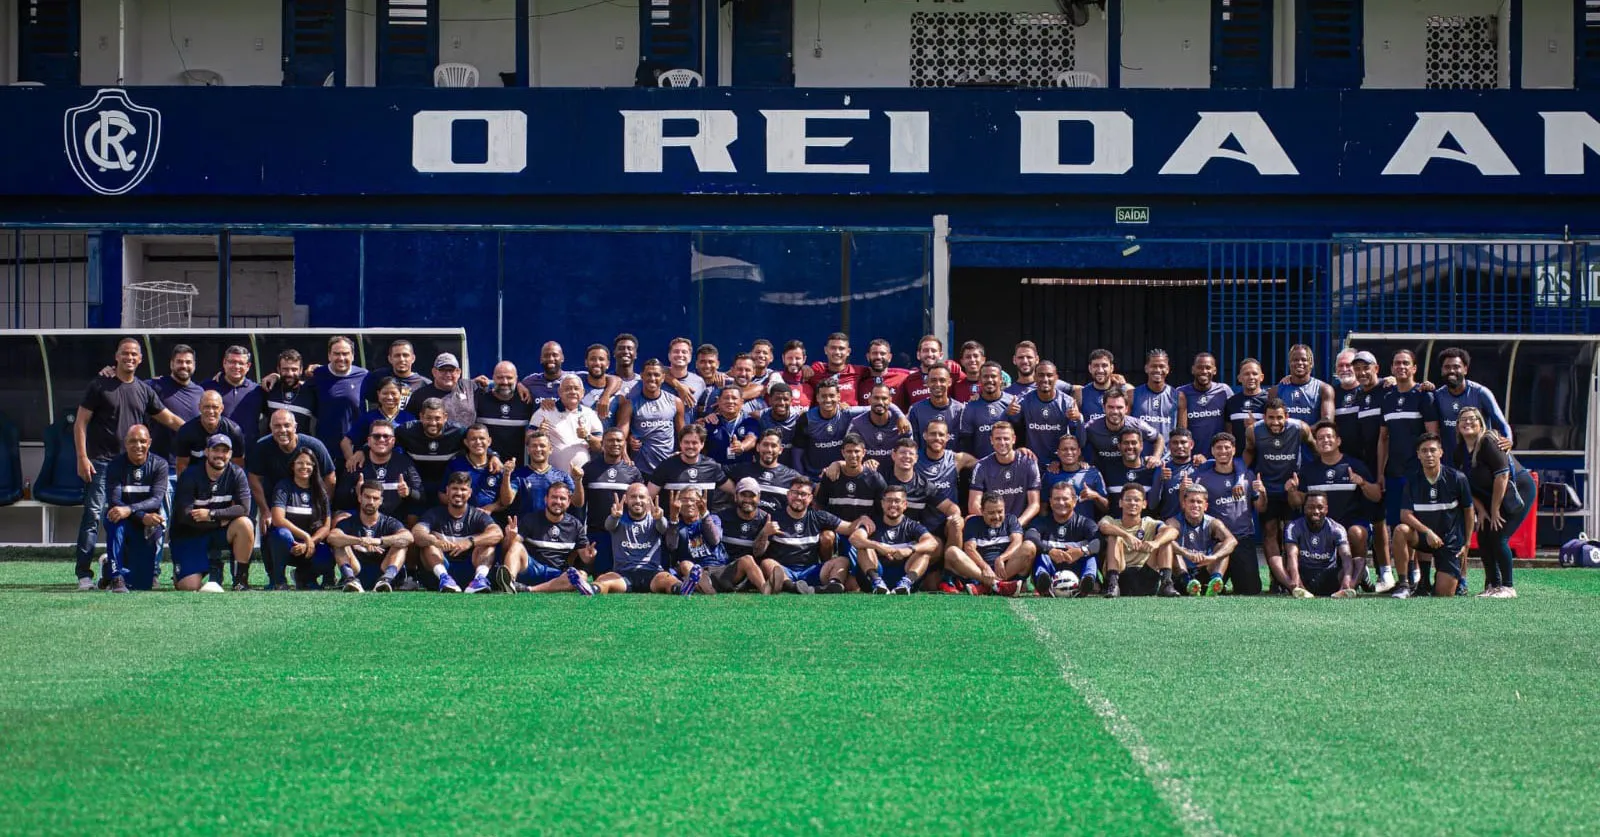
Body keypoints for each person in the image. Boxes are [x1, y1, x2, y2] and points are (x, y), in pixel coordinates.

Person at [73, 337, 184, 589]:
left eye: (134, 354)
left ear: (140, 359)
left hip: (132, 468)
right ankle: (83, 575)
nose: (129, 357)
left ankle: (128, 570)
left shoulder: (144, 390)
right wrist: (82, 457)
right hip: (101, 463)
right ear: (117, 356)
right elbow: (80, 422)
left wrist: (198, 431)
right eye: (125, 353)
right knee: (93, 516)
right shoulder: (100, 384)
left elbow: (168, 418)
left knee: (137, 518)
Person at [247, 408, 338, 587]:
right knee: (278, 534)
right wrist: (265, 510)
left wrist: (321, 508)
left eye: (287, 425)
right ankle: (277, 578)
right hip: (280, 509)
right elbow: (253, 478)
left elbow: (331, 478)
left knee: (325, 555)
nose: (282, 430)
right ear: (270, 428)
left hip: (311, 517)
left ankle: (307, 576)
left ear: (295, 426)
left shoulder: (315, 446)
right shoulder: (264, 449)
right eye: (277, 426)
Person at [1287, 421, 1380, 591]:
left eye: (1329, 437)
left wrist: (1362, 483)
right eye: (1320, 438)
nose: (1325, 440)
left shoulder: (1354, 465)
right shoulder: (1309, 470)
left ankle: (1359, 574)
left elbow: (1377, 495)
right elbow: (1297, 502)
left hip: (1351, 523)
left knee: (1356, 533)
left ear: (1338, 441)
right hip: (1321, 528)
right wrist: (1292, 491)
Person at [1378, 349, 1441, 593]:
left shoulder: (1425, 396)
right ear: (1392, 368)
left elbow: (1432, 436)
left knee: (1418, 524)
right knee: (1397, 527)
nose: (1401, 367)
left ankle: (1419, 577)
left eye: (1406, 363)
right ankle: (1403, 580)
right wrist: (1380, 472)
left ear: (1415, 368)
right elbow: (1383, 438)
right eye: (1397, 363)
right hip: (1394, 472)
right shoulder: (1387, 397)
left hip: (1417, 474)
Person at [1455, 406, 1533, 599]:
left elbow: (1502, 476)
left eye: (1473, 419)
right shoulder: (1459, 451)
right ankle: (1493, 584)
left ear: (1481, 423)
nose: (1468, 422)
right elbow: (1463, 485)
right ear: (1457, 426)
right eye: (1463, 419)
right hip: (1487, 499)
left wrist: (1495, 509)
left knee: (1498, 537)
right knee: (1483, 538)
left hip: (1515, 492)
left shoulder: (1488, 441)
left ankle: (1508, 587)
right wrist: (1481, 509)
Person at [1392, 433, 1475, 599]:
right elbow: (1405, 515)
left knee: (1444, 593)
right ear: (1418, 455)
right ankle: (1404, 584)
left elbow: (1469, 511)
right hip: (1424, 538)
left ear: (1441, 452)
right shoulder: (1412, 480)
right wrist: (1428, 532)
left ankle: (1446, 577)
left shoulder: (1457, 478)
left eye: (1432, 450)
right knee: (1400, 530)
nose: (1429, 454)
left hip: (1449, 540)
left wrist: (1467, 543)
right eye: (1424, 451)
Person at [170, 434, 255, 592]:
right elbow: (184, 516)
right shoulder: (190, 475)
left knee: (245, 524)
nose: (220, 455)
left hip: (216, 530)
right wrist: (220, 520)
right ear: (206, 452)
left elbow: (244, 509)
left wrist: (212, 515)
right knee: (189, 586)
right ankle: (191, 570)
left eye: (225, 451)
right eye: (216, 450)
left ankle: (240, 580)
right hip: (189, 535)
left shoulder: (237, 473)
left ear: (230, 454)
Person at [1188, 432, 1267, 595]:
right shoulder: (1202, 477)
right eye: (1218, 448)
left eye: (1227, 447)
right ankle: (1216, 578)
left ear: (1234, 450)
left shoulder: (1246, 476)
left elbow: (1261, 508)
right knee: (1203, 589)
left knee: (1250, 590)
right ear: (1212, 451)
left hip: (1243, 538)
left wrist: (1262, 492)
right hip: (1216, 540)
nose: (1223, 451)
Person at [758, 478, 862, 594]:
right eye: (795, 493)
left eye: (803, 494)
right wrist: (765, 533)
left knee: (842, 561)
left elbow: (849, 528)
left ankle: (832, 586)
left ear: (810, 498)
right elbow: (757, 552)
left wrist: (863, 520)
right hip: (784, 571)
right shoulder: (773, 517)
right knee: (766, 563)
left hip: (810, 571)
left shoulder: (818, 516)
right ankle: (792, 587)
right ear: (788, 495)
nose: (798, 497)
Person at [1247, 397, 1310, 589]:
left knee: (1291, 531)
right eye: (1271, 418)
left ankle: (1294, 575)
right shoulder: (1253, 431)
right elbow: (1248, 453)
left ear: (1287, 416)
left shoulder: (1300, 428)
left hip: (1292, 487)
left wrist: (1309, 477)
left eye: (1279, 417)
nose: (1275, 422)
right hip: (1268, 488)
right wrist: (1242, 475)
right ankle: (1277, 578)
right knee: (1270, 531)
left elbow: (1315, 449)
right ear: (1264, 417)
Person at [592, 483, 699, 595]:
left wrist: (660, 519)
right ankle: (592, 589)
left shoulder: (655, 519)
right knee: (604, 579)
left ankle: (681, 589)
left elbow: (664, 529)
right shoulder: (618, 519)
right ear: (626, 499)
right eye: (633, 497)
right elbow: (608, 525)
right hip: (623, 574)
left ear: (648, 500)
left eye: (642, 497)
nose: (638, 501)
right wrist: (614, 516)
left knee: (668, 579)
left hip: (652, 574)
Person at [102, 425, 169, 592]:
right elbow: (115, 501)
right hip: (123, 519)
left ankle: (106, 570)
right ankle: (116, 576)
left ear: (150, 443)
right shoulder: (115, 465)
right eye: (132, 441)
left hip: (147, 523)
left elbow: (156, 500)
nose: (138, 445)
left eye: (142, 441)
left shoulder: (160, 465)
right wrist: (140, 515)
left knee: (141, 585)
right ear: (125, 443)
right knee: (115, 519)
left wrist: (133, 511)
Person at [412, 472, 504, 593]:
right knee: (428, 543)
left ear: (470, 493)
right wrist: (435, 541)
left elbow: (498, 533)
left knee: (488, 543)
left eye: (463, 489)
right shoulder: (434, 514)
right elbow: (416, 533)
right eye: (454, 488)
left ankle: (479, 580)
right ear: (447, 491)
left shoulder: (477, 515)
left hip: (470, 568)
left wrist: (470, 542)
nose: (459, 493)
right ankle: (445, 579)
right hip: (441, 569)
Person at [501, 482, 595, 594]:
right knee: (516, 545)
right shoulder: (531, 519)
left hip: (557, 574)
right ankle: (509, 583)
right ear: (546, 499)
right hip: (531, 569)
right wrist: (510, 538)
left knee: (581, 577)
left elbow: (585, 558)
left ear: (569, 502)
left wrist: (590, 556)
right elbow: (508, 549)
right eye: (554, 497)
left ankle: (528, 589)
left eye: (562, 498)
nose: (558, 502)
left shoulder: (575, 525)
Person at [850, 484, 938, 595]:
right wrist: (878, 546)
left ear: (905, 505)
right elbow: (854, 538)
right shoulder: (872, 523)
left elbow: (932, 543)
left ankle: (905, 584)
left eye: (897, 501)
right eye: (889, 501)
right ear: (882, 504)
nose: (893, 505)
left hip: (904, 574)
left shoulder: (912, 525)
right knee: (863, 546)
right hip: (875, 575)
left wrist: (910, 549)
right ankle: (877, 583)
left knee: (924, 551)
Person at [266, 447, 335, 590]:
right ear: (293, 466)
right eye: (300, 463)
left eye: (309, 464)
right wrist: (305, 537)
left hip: (309, 546)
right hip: (287, 544)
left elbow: (326, 526)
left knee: (326, 556)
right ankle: (279, 580)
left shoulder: (320, 490)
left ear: (314, 467)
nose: (304, 467)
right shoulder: (283, 486)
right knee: (282, 534)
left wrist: (310, 542)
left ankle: (304, 577)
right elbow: (278, 519)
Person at [326, 481, 413, 593]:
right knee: (339, 543)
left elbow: (409, 537)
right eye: (367, 497)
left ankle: (385, 580)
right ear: (360, 498)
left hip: (383, 570)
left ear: (381, 501)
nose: (371, 502)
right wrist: (360, 540)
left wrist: (379, 541)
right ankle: (351, 580)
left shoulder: (389, 522)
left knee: (401, 543)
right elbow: (332, 537)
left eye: (375, 498)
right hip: (356, 570)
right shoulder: (349, 522)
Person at [1097, 483, 1180, 598]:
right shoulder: (1111, 520)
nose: (1132, 503)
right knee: (1113, 537)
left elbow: (1173, 531)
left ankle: (1166, 583)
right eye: (1128, 499)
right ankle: (1113, 585)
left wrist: (1156, 543)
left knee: (1165, 538)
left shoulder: (1150, 523)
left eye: (1137, 500)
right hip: (1121, 575)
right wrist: (1126, 535)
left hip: (1146, 575)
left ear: (1144, 504)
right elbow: (1103, 527)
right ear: (1121, 503)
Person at [579, 428, 642, 575]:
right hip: (598, 533)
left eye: (619, 440)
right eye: (610, 440)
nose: (615, 443)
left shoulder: (633, 471)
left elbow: (640, 503)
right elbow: (579, 503)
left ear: (624, 444)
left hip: (625, 534)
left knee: (625, 577)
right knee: (601, 576)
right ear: (602, 443)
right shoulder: (589, 468)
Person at [1023, 482, 1102, 597]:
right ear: (1050, 502)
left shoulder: (1086, 523)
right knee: (1041, 555)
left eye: (1065, 499)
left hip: (1076, 567)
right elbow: (1030, 537)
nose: (1061, 503)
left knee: (1090, 554)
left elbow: (1100, 541)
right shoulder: (1041, 522)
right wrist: (1049, 550)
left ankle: (1087, 583)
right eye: (1056, 499)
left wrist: (1081, 551)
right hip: (1052, 568)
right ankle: (1044, 585)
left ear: (1074, 501)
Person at [1435, 347, 1513, 465]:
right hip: (1449, 462)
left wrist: (1509, 440)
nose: (1451, 371)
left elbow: (1502, 423)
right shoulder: (1437, 396)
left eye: (1456, 367)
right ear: (1441, 370)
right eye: (1447, 367)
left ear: (1465, 369)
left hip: (1479, 461)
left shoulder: (1480, 393)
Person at [669, 486, 751, 595]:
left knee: (747, 559)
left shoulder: (713, 518)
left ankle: (765, 588)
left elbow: (715, 540)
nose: (689, 504)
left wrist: (704, 514)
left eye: (693, 500)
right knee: (685, 565)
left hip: (720, 568)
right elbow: (671, 546)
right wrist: (674, 518)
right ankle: (710, 594)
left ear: (701, 502)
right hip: (696, 571)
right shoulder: (676, 525)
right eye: (684, 500)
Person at [943, 492, 1026, 596]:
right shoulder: (973, 522)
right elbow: (970, 548)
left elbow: (1017, 542)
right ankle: (997, 585)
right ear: (982, 511)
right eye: (991, 513)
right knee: (951, 552)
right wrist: (985, 567)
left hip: (1005, 569)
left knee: (1029, 547)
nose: (996, 516)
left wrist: (1001, 558)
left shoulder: (1011, 520)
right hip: (980, 572)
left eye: (1000, 512)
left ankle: (988, 587)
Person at [615, 359, 686, 478]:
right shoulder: (629, 404)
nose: (652, 378)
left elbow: (682, 434)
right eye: (648, 374)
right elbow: (621, 434)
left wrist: (682, 456)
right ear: (642, 376)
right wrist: (625, 455)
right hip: (640, 468)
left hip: (668, 467)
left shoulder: (675, 402)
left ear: (663, 377)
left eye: (656, 375)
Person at [338, 419, 422, 518]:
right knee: (340, 518)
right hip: (361, 518)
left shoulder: (404, 463)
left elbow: (421, 496)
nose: (381, 440)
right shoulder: (356, 462)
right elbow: (339, 500)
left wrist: (408, 492)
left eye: (386, 436)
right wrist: (355, 493)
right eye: (376, 436)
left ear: (393, 441)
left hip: (394, 520)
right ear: (369, 441)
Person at [1164, 484, 1236, 596]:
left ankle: (1215, 581)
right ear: (1184, 504)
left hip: (1204, 567)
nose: (1195, 505)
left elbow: (1232, 540)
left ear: (1206, 506)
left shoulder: (1213, 522)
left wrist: (1213, 557)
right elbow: (1164, 541)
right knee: (1170, 546)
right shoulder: (1173, 522)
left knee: (1223, 546)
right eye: (1191, 501)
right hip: (1182, 571)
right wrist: (1186, 553)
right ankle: (1188, 584)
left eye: (1199, 502)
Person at [1282, 492, 1356, 598]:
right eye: (1311, 507)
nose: (1316, 511)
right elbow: (1291, 555)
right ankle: (1297, 589)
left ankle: (1346, 588)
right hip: (1303, 573)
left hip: (1329, 574)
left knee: (1359, 562)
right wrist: (1295, 578)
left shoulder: (1337, 529)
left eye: (1320, 507)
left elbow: (1346, 555)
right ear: (1304, 508)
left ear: (1326, 509)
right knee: (1278, 560)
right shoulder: (1293, 527)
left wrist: (1347, 577)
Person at [304, 335, 369, 456]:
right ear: (329, 355)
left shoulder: (364, 376)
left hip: (355, 448)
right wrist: (275, 376)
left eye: (345, 354)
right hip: (325, 448)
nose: (341, 358)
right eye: (336, 354)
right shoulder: (318, 375)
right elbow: (293, 383)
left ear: (353, 356)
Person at [396, 398, 467, 507]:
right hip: (417, 486)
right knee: (412, 519)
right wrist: (363, 451)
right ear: (421, 417)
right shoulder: (406, 430)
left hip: (444, 487)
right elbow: (385, 440)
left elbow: (477, 442)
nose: (433, 423)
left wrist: (492, 455)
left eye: (437, 418)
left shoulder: (457, 431)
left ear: (445, 417)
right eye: (428, 418)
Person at [968, 422, 1041, 527]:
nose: (1002, 442)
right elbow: (974, 505)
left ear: (1014, 439)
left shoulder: (1028, 462)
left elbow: (1034, 504)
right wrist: (994, 524)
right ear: (991, 440)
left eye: (1006, 438)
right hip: (992, 523)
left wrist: (1016, 525)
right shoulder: (981, 465)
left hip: (1021, 524)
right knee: (969, 520)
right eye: (998, 439)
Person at [147, 344, 204, 478]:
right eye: (179, 361)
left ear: (194, 365)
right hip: (161, 467)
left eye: (188, 362)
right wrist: (112, 370)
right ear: (171, 364)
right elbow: (129, 382)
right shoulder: (154, 386)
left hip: (192, 467)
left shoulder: (200, 392)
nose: (184, 365)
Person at [528, 376, 604, 475]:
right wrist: (539, 434)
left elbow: (600, 447)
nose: (572, 392)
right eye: (567, 389)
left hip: (582, 478)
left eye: (576, 388)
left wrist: (587, 437)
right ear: (559, 392)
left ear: (583, 392)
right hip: (552, 478)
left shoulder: (590, 414)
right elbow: (527, 440)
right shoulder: (544, 411)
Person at [648, 424, 733, 512]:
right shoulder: (666, 466)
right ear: (680, 443)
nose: (690, 446)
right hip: (673, 522)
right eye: (686, 442)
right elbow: (648, 498)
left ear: (702, 444)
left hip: (703, 522)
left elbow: (735, 491)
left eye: (694, 443)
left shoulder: (712, 466)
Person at [713, 478, 776, 594]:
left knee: (751, 560)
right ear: (736, 496)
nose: (747, 500)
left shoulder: (766, 519)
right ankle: (765, 589)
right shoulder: (722, 517)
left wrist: (765, 532)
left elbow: (758, 552)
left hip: (752, 575)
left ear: (759, 497)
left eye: (752, 496)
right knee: (747, 559)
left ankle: (777, 584)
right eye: (743, 495)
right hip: (725, 571)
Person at [500, 430, 581, 517]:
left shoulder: (562, 476)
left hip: (553, 528)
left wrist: (578, 480)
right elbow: (506, 501)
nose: (538, 449)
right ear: (528, 450)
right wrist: (507, 475)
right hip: (526, 528)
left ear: (550, 449)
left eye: (542, 446)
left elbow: (578, 503)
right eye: (534, 446)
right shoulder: (518, 475)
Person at [1078, 389, 1163, 472]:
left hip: (1132, 472)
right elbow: (1077, 444)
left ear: (1126, 408)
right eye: (1111, 407)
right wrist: (1080, 460)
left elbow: (1159, 438)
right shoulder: (1091, 427)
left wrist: (1156, 457)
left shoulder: (1137, 425)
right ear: (1104, 408)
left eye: (1119, 407)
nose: (1115, 411)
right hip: (1103, 473)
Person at [342, 377, 417, 467]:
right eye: (385, 393)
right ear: (378, 394)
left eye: (393, 393)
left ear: (400, 395)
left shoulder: (409, 418)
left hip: (401, 467)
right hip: (373, 468)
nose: (389, 397)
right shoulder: (368, 418)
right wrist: (352, 460)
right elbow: (346, 441)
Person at [729, 429, 802, 515]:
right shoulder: (742, 469)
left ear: (780, 450)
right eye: (765, 445)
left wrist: (822, 478)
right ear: (758, 447)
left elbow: (811, 491)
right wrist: (734, 490)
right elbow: (715, 471)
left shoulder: (792, 476)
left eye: (774, 446)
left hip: (776, 526)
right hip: (747, 524)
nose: (769, 450)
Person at [173, 391, 246, 475]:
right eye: (206, 407)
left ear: (221, 408)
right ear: (199, 407)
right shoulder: (186, 431)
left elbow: (237, 467)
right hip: (195, 478)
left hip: (224, 478)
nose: (211, 411)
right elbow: (182, 466)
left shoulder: (234, 431)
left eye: (215, 407)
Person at [1014, 360, 1079, 456]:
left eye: (1049, 375)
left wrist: (1078, 418)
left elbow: (1077, 438)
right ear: (1035, 377)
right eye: (1041, 375)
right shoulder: (1024, 400)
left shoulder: (1067, 402)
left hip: (1060, 463)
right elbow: (1010, 426)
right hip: (1032, 460)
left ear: (1056, 378)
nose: (1045, 379)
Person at [792, 379, 855, 477]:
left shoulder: (847, 414)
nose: (828, 400)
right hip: (813, 477)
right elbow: (797, 453)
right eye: (823, 396)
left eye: (831, 396)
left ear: (839, 397)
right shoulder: (806, 419)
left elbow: (871, 408)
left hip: (842, 475)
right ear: (817, 398)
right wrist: (800, 477)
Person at [475, 361, 536, 461]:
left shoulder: (526, 400)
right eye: (500, 377)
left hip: (517, 469)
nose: (505, 382)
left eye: (509, 378)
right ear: (493, 378)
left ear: (516, 379)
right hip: (486, 467)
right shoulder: (480, 399)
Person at [447, 424, 511, 516]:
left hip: (491, 519)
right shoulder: (455, 464)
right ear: (466, 442)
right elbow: (442, 495)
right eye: (473, 439)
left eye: (482, 438)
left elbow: (505, 501)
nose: (478, 442)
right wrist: (463, 507)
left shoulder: (498, 467)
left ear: (489, 441)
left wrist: (492, 507)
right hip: (460, 517)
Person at [1043, 434, 1109, 522]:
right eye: (1064, 449)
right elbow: (1043, 506)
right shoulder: (1050, 474)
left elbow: (1106, 508)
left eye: (1073, 449)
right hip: (1057, 530)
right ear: (1058, 452)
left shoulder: (1092, 473)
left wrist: (1095, 496)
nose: (1069, 452)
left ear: (1079, 451)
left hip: (1086, 530)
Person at [956, 362, 1016, 460]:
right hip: (982, 468)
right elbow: (966, 443)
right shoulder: (971, 406)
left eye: (993, 376)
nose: (989, 380)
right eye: (985, 377)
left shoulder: (1012, 402)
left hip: (1009, 466)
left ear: (1001, 379)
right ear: (979, 380)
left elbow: (1021, 435)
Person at [1176, 352, 1233, 454]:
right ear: (1193, 370)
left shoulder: (1224, 391)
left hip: (1218, 456)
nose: (1204, 371)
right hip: (1191, 457)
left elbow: (1231, 421)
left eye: (1208, 367)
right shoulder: (1181, 392)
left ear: (1214, 370)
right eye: (1200, 367)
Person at [204, 345, 265, 433]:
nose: (236, 366)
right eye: (232, 362)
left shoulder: (257, 390)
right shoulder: (208, 388)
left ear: (248, 366)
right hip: (218, 445)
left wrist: (276, 377)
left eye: (241, 363)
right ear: (224, 363)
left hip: (249, 446)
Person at [1102, 427, 1163, 514]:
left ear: (1141, 445)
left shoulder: (1152, 468)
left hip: (1145, 524)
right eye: (1126, 443)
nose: (1130, 447)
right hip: (1114, 523)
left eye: (1134, 443)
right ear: (1119, 446)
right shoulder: (1107, 468)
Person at [1275, 344, 1334, 428]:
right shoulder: (1276, 391)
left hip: (1312, 440)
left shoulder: (1324, 389)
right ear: (1289, 363)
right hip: (1285, 440)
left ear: (1311, 364)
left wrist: (1304, 433)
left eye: (1304, 360)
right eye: (1295, 360)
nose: (1299, 363)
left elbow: (1327, 420)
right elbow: (1272, 421)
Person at [411, 352, 476, 429]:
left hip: (468, 440)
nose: (448, 374)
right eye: (442, 370)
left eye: (451, 370)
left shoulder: (470, 387)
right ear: (434, 372)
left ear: (458, 372)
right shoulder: (419, 395)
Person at [262, 349, 319, 436]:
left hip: (301, 448)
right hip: (271, 447)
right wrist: (274, 376)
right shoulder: (269, 388)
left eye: (294, 369)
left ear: (301, 370)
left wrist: (321, 370)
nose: (290, 374)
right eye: (285, 369)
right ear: (278, 369)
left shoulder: (311, 392)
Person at [898, 335, 966, 408]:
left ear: (940, 355)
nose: (929, 354)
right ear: (918, 355)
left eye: (933, 351)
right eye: (925, 350)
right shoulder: (909, 380)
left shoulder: (953, 373)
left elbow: (971, 383)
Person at [700, 384, 759, 467]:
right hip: (715, 470)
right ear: (719, 401)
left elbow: (752, 439)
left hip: (742, 469)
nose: (730, 401)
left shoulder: (749, 420)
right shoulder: (710, 421)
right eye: (726, 398)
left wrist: (742, 446)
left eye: (734, 398)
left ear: (741, 402)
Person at [1153, 428, 1204, 522]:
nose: (1179, 446)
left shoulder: (1201, 465)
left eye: (1183, 442)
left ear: (1191, 444)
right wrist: (1159, 480)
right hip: (1169, 524)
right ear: (1169, 446)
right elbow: (1152, 505)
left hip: (1196, 524)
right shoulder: (1162, 469)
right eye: (1175, 443)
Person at [906, 365, 965, 446]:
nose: (938, 384)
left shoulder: (961, 410)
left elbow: (966, 445)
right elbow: (913, 445)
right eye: (933, 380)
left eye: (942, 380)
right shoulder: (916, 410)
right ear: (927, 382)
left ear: (949, 382)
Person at [363, 339, 429, 409]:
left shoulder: (424, 384)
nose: (401, 359)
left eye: (405, 355)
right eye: (397, 356)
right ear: (390, 359)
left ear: (413, 358)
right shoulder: (378, 377)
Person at [1131, 349, 1179, 441]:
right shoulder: (1132, 395)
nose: (1158, 370)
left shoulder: (1179, 397)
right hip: (1140, 455)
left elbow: (1182, 432)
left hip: (1167, 455)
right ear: (1146, 368)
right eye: (1153, 366)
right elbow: (1125, 428)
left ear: (1168, 369)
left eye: (1162, 366)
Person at [808, 332, 868, 406]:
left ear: (848, 352)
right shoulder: (815, 371)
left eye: (841, 348)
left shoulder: (859, 372)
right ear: (826, 350)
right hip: (822, 417)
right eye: (833, 348)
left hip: (851, 417)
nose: (837, 352)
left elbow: (879, 372)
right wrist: (804, 368)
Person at [1075, 349, 1128, 425]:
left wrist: (1123, 387)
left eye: (1104, 365)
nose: (1100, 370)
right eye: (1096, 366)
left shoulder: (1125, 390)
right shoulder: (1080, 393)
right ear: (1090, 368)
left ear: (1112, 368)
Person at [1224, 357, 1268, 446]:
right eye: (1246, 374)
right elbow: (1228, 432)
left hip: (1263, 456)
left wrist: (1256, 427)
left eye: (1255, 374)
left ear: (1261, 377)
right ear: (1239, 378)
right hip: (1237, 457)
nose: (1251, 377)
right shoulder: (1231, 402)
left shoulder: (1269, 400)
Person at [754, 382, 802, 449]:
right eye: (777, 399)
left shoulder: (799, 418)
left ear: (791, 401)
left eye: (786, 399)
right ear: (770, 400)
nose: (782, 403)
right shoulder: (759, 416)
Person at [665, 337, 708, 407]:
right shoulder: (657, 378)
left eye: (684, 352)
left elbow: (701, 409)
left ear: (690, 357)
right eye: (676, 351)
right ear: (669, 356)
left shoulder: (699, 382)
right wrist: (679, 386)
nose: (680, 355)